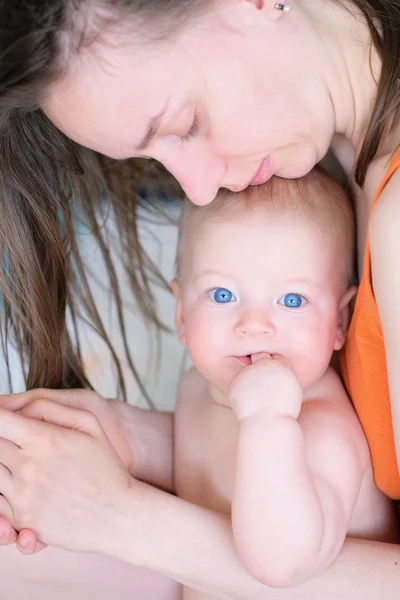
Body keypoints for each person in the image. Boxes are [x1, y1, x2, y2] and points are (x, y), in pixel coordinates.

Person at [0, 0, 400, 599]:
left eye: (184, 124)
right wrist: (126, 438)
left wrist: (120, 518)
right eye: (152, 157)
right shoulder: (334, 161)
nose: (198, 187)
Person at [170, 170, 396, 597]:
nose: (254, 325)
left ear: (340, 321)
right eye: (222, 295)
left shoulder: (322, 431)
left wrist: (268, 421)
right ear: (181, 314)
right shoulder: (196, 388)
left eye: (292, 300)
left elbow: (284, 563)